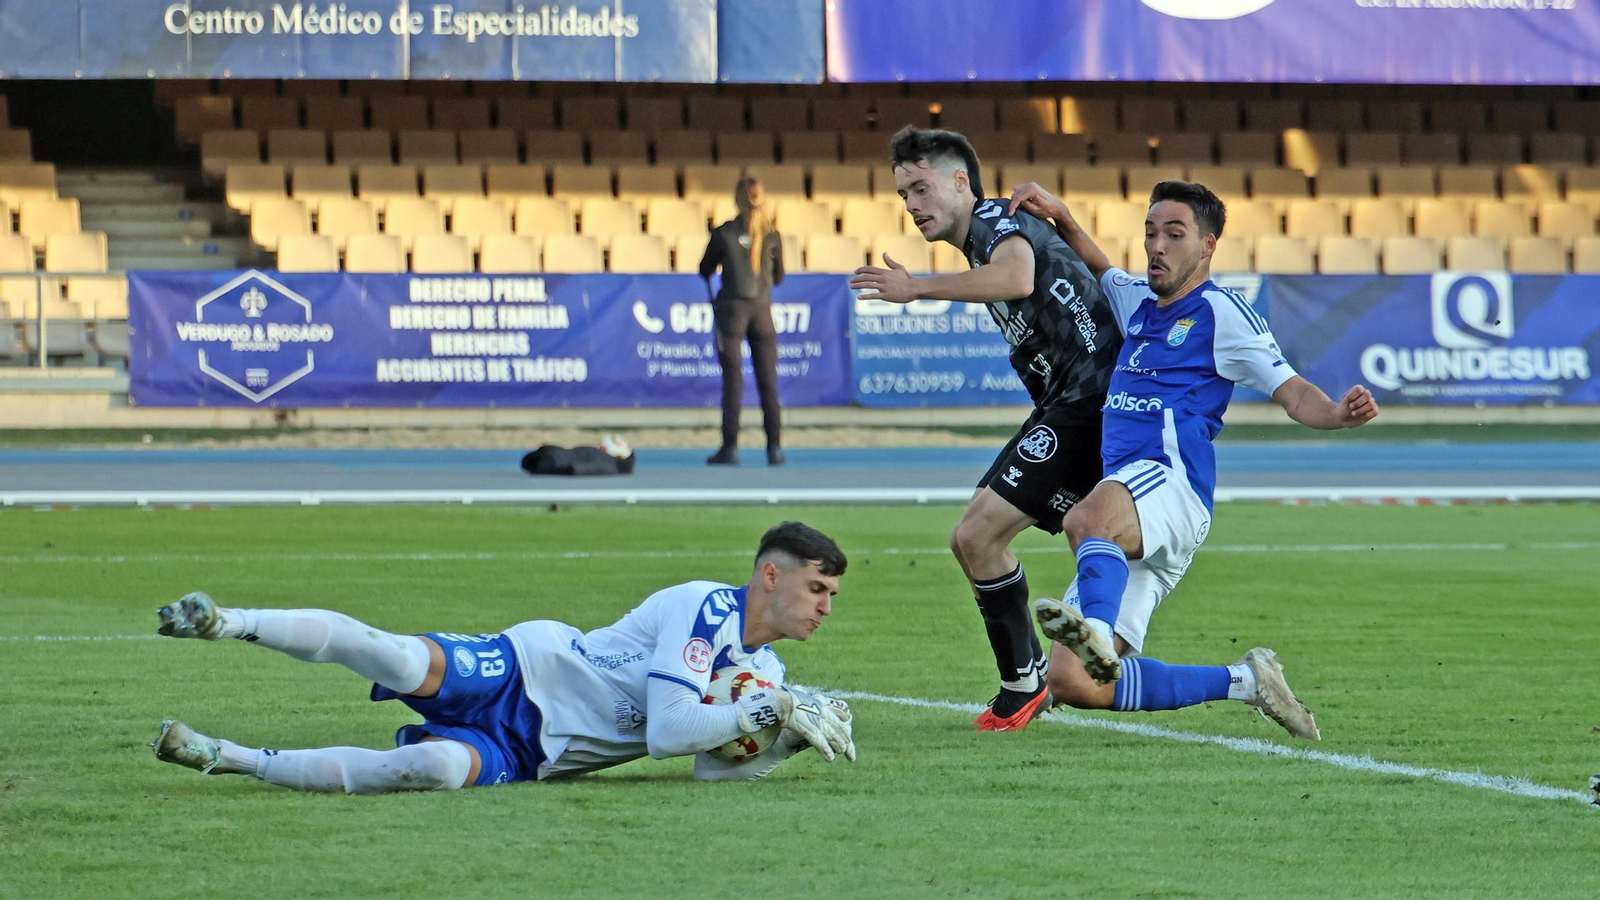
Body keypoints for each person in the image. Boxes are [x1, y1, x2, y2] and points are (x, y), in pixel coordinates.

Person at [1006, 179, 1380, 739]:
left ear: (1207, 246)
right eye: (1151, 232)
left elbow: (1292, 390)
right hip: (1132, 514)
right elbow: (1099, 265)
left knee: (1083, 519)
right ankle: (1247, 681)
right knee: (1075, 683)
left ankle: (1098, 634)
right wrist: (1062, 215)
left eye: (1174, 235)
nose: (1157, 246)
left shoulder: (1221, 312)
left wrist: (1337, 413)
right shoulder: (1137, 300)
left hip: (1170, 486)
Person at [150, 521, 856, 792]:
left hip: (535, 754)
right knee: (393, 658)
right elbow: (668, 733)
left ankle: (230, 758)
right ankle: (225, 621)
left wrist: (779, 741)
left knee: (428, 768)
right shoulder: (704, 607)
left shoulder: (767, 677)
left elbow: (708, 770)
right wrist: (766, 709)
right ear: (771, 575)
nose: (825, 606)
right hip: (529, 666)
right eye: (816, 587)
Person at [848, 126, 1122, 733]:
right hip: (1071, 401)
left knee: (977, 536)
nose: (913, 205)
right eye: (903, 196)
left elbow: (1017, 277)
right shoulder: (982, 239)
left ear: (961, 182)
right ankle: (1053, 661)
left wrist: (916, 288)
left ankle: (1028, 683)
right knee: (973, 539)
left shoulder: (997, 219)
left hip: (1091, 400)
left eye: (921, 188)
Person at [698, 177, 786, 466]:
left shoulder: (724, 233)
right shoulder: (772, 236)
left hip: (732, 312)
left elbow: (705, 268)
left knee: (733, 382)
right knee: (768, 382)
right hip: (762, 312)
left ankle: (730, 448)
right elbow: (779, 277)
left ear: (736, 200)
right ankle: (774, 448)